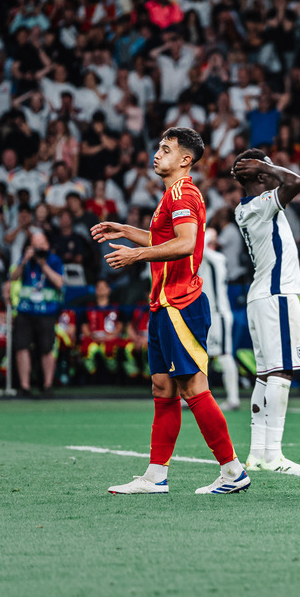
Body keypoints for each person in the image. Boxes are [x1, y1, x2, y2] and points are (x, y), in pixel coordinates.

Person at [94, 127, 249, 495]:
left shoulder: (182, 193)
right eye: (159, 147)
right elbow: (164, 240)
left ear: (185, 159)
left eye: (166, 149)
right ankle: (155, 476)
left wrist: (136, 255)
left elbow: (186, 243)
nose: (157, 153)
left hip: (181, 303)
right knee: (163, 387)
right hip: (164, 303)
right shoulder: (172, 195)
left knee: (193, 387)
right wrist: (126, 231)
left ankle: (232, 471)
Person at [232, 150, 300, 473]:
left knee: (265, 375)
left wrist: (260, 167)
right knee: (282, 373)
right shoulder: (261, 205)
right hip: (277, 294)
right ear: (262, 175)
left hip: (261, 295)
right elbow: (296, 181)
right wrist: (265, 165)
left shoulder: (245, 208)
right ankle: (274, 455)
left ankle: (257, 453)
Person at [10, 229, 64, 397]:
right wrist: (24, 261)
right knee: (22, 347)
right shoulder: (26, 259)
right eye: (35, 246)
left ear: (47, 245)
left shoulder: (54, 260)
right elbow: (13, 277)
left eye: (41, 245)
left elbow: (59, 282)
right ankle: (24, 387)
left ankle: (47, 386)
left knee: (47, 348)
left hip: (47, 312)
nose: (38, 249)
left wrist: (43, 265)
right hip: (25, 311)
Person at [200, 229, 239, 411]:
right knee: (201, 356)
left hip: (219, 315)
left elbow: (199, 247)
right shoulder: (202, 260)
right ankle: (197, 397)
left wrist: (209, 233)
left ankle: (233, 398)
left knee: (223, 355)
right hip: (206, 315)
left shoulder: (218, 258)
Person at [79, 279, 134, 377]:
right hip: (93, 339)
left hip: (112, 339)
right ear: (95, 290)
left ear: (109, 290)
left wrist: (110, 336)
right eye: (99, 288)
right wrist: (93, 337)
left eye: (103, 287)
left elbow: (120, 326)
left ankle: (117, 375)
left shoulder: (117, 307)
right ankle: (92, 377)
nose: (101, 290)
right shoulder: (88, 307)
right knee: (86, 349)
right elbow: (84, 327)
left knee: (114, 350)